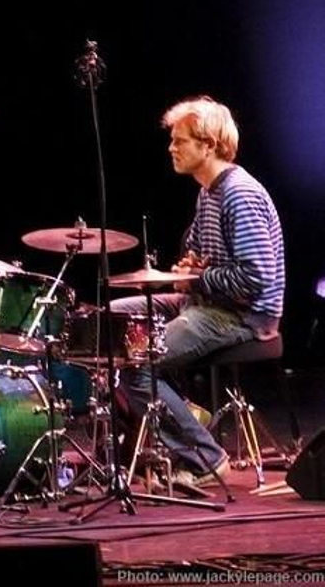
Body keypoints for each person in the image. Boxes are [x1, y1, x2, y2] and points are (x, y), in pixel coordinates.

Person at [111, 97, 285, 488]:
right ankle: (185, 411)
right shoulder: (207, 192)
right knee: (111, 321)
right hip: (207, 303)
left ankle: (206, 458)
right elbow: (204, 256)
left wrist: (198, 279)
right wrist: (192, 266)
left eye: (180, 140)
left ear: (208, 145)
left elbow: (256, 276)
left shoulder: (239, 194)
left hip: (241, 315)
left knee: (136, 360)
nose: (172, 148)